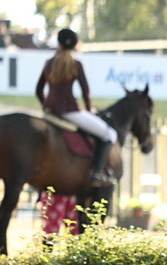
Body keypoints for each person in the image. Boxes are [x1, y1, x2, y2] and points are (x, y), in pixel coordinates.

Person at [35, 28, 118, 187]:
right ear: (74, 45)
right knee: (109, 134)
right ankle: (97, 173)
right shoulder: (76, 64)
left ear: (59, 43)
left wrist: (46, 106)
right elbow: (86, 92)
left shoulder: (49, 63)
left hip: (51, 111)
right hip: (70, 111)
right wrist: (89, 109)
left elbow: (38, 90)